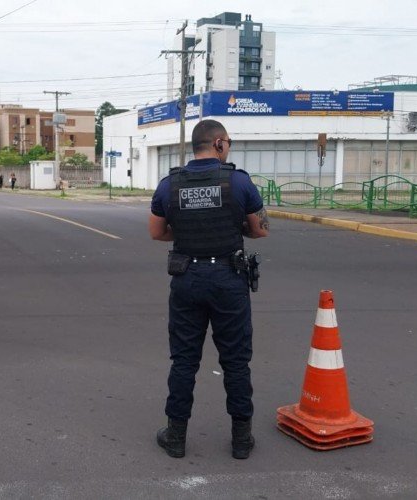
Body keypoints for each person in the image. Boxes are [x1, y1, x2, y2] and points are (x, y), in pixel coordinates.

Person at [148, 119, 269, 460]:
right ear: (218, 143)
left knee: (184, 360)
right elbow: (261, 230)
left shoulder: (169, 185)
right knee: (236, 361)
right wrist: (233, 226)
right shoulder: (239, 181)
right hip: (229, 279)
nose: (228, 147)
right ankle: (242, 440)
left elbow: (157, 232)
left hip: (187, 277)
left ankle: (175, 437)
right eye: (227, 142)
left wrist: (187, 235)